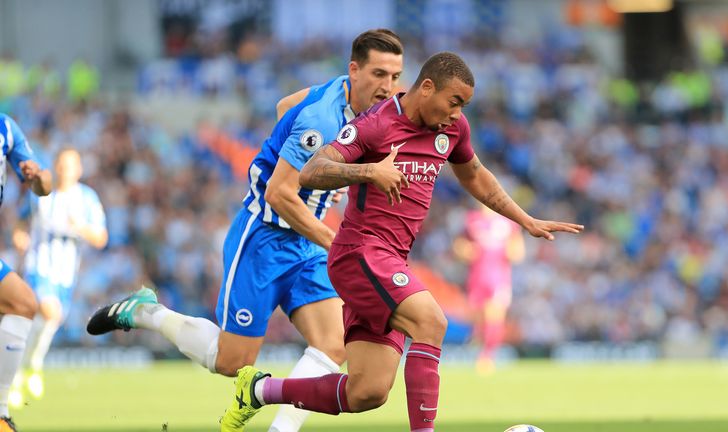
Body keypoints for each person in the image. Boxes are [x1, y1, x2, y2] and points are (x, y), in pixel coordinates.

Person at [219, 52, 584, 432]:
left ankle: (260, 390)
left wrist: (523, 219)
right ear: (427, 88)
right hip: (358, 252)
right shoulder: (375, 125)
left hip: (389, 259)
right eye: (453, 102)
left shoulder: (452, 131)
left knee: (367, 392)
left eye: (464, 106)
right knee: (432, 322)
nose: (457, 113)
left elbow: (475, 174)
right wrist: (370, 171)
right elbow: (311, 171)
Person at [86, 29, 404, 432]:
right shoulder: (322, 120)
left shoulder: (343, 97)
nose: (388, 87)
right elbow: (279, 194)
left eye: (394, 76)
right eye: (379, 74)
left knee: (331, 342)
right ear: (354, 70)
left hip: (307, 244)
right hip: (265, 239)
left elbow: (284, 105)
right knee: (232, 361)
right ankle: (146, 312)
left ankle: (281, 430)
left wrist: (317, 176)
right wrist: (333, 234)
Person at [8, 148, 107, 407]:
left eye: (70, 165)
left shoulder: (87, 198)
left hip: (66, 274)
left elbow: (101, 237)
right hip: (38, 266)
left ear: (79, 170)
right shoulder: (42, 194)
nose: (64, 170)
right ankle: (32, 366)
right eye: (61, 165)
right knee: (48, 311)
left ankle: (23, 371)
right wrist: (19, 236)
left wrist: (80, 227)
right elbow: (21, 220)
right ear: (55, 166)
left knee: (46, 320)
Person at [0, 113, 53, 432]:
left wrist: (36, 176)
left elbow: (44, 187)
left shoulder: (5, 128)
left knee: (21, 305)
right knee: (21, 301)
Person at [453, 204, 524, 374]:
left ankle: (487, 357)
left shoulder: (509, 222)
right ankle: (480, 348)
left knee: (495, 315)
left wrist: (511, 251)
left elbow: (518, 252)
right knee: (479, 318)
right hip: (477, 276)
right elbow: (459, 245)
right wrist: (467, 251)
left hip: (498, 276)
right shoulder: (471, 219)